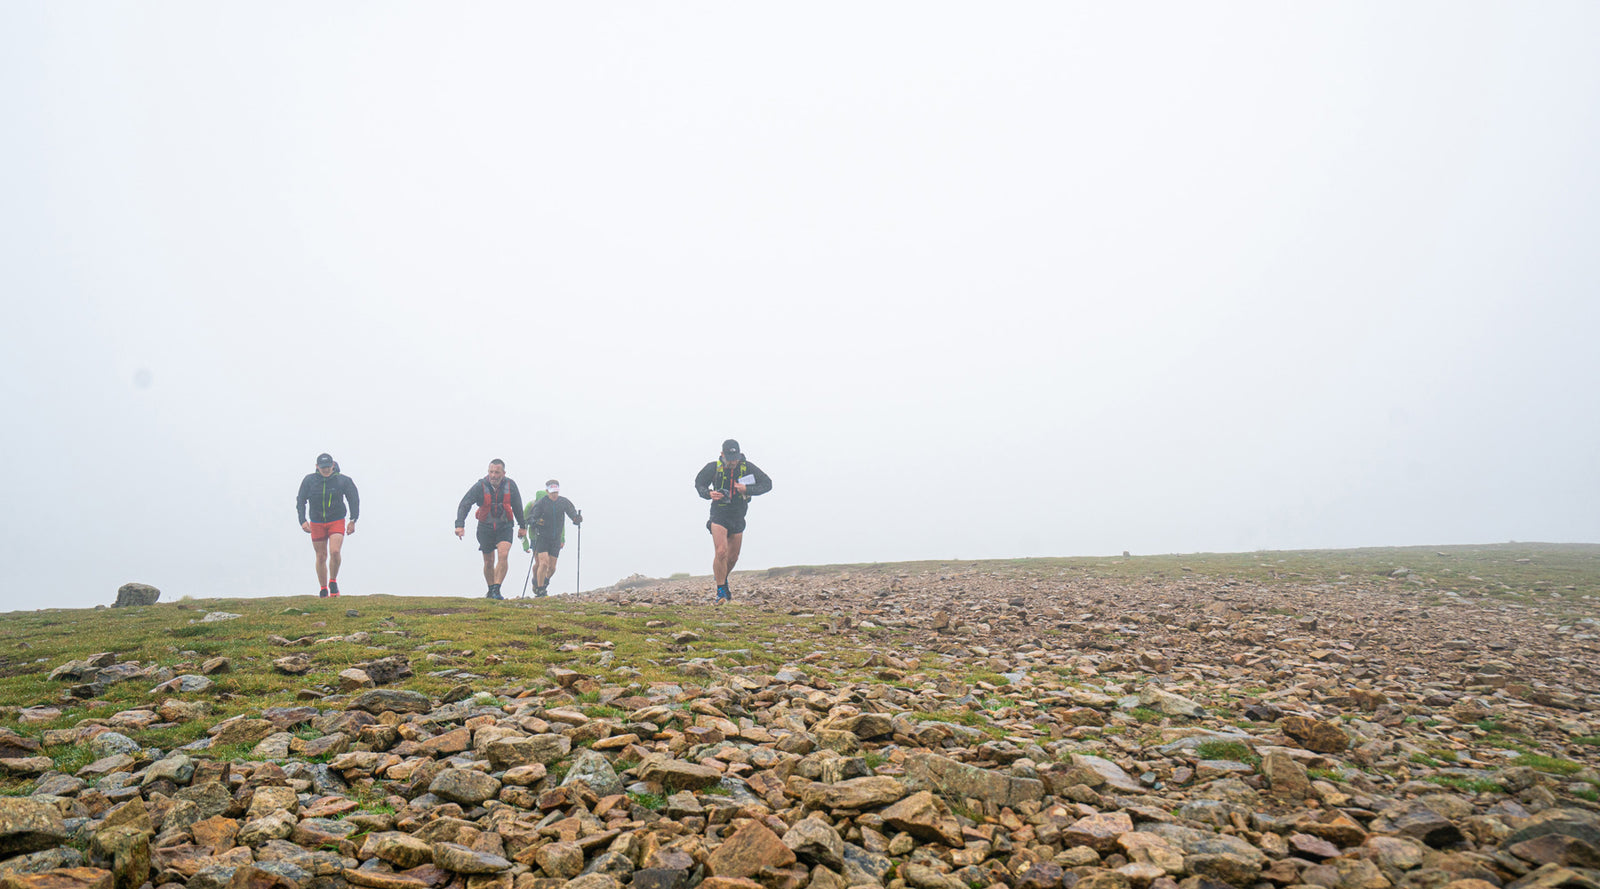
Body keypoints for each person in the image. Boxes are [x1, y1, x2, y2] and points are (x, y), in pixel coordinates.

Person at [693, 439, 772, 603]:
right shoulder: (713, 467)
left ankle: (723, 578)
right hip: (719, 513)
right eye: (729, 458)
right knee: (721, 551)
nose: (733, 462)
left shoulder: (747, 467)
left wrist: (747, 489)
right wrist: (708, 494)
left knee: (733, 557)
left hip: (738, 514)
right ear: (722, 455)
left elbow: (767, 484)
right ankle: (721, 591)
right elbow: (699, 483)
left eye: (735, 458)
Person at [454, 459, 526, 599]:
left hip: (504, 525)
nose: (493, 475)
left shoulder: (511, 485)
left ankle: (497, 589)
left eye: (497, 472)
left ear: (503, 473)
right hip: (485, 527)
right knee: (488, 561)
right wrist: (460, 524)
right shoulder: (480, 486)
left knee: (503, 555)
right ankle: (491, 588)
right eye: (491, 472)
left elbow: (517, 505)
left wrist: (522, 526)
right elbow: (465, 504)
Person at [296, 453, 359, 598]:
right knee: (321, 556)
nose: (325, 470)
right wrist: (302, 520)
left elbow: (354, 499)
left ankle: (333, 581)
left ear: (333, 465)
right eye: (322, 467)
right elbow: (300, 501)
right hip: (317, 521)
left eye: (328, 467)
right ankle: (323, 589)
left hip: (336, 519)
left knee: (335, 551)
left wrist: (353, 520)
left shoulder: (343, 481)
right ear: (317, 467)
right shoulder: (309, 481)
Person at [528, 479, 581, 597]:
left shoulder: (563, 502)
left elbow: (572, 514)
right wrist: (537, 522)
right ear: (547, 491)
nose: (554, 495)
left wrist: (577, 519)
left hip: (556, 539)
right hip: (542, 537)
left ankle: (544, 581)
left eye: (556, 492)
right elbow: (531, 518)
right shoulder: (541, 503)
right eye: (552, 492)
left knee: (552, 567)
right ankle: (540, 590)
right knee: (544, 563)